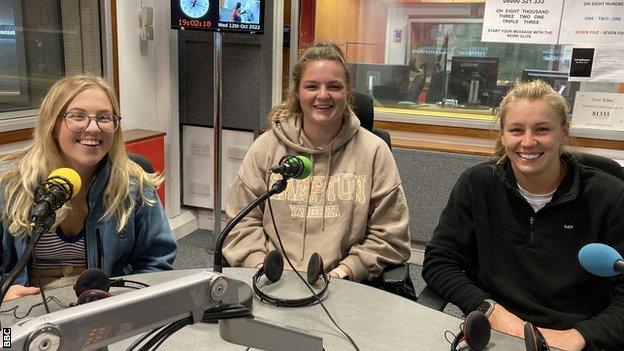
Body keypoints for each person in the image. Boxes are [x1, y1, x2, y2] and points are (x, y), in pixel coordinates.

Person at [422, 79, 624, 350]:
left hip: (574, 340)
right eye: (516, 130)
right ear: (502, 135)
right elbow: (439, 262)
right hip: (498, 335)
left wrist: (579, 336)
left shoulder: (609, 196)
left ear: (564, 132)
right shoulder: (478, 185)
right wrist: (489, 310)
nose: (528, 142)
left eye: (542, 129)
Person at [223, 42, 410, 282]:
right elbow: (241, 222)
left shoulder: (374, 152)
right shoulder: (267, 147)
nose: (323, 95)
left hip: (342, 285)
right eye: (312, 86)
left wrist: (347, 271)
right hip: (270, 280)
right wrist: (262, 266)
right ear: (298, 92)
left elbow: (390, 236)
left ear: (347, 92)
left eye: (334, 86)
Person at [0, 74, 177, 301]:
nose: (93, 128)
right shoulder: (10, 186)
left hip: (104, 311)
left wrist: (130, 301)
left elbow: (156, 260)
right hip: (25, 315)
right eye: (77, 116)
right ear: (52, 124)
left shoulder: (134, 186)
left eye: (104, 117)